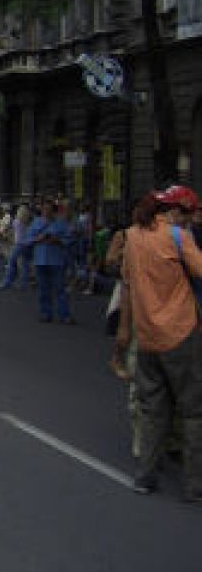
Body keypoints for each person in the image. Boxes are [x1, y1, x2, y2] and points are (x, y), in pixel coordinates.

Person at [116, 186, 202, 501]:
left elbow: (126, 282)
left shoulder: (133, 236)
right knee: (193, 411)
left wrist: (124, 335)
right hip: (180, 332)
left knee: (152, 409)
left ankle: (145, 476)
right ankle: (194, 485)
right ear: (178, 212)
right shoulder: (178, 237)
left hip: (147, 335)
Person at [28, 200, 75, 324]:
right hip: (40, 260)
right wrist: (39, 238)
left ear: (53, 211)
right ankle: (46, 313)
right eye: (44, 209)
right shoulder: (36, 222)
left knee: (60, 289)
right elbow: (28, 240)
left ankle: (64, 314)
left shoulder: (60, 224)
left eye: (49, 209)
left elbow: (69, 240)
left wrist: (57, 240)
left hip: (56, 260)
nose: (46, 212)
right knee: (43, 290)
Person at [0, 203, 35, 290]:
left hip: (20, 244)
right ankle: (24, 283)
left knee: (11, 262)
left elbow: (7, 229)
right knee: (25, 263)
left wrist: (3, 234)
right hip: (28, 244)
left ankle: (8, 281)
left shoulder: (17, 221)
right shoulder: (30, 221)